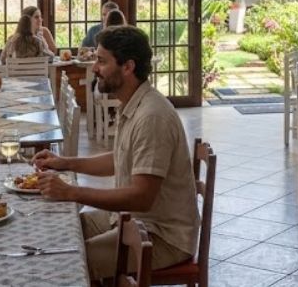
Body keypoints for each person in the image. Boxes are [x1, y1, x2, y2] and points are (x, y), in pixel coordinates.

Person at [32, 26, 198, 281]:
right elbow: (118, 159)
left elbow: (141, 198)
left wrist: (71, 192)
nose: (94, 68)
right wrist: (65, 163)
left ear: (128, 67)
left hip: (162, 237)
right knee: (61, 230)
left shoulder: (152, 117)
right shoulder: (132, 103)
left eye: (101, 61)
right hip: (132, 220)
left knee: (67, 260)